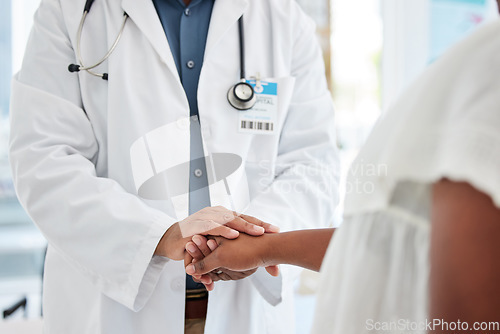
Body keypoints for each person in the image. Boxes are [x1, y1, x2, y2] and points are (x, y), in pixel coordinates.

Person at [8, 0, 339, 333]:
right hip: (115, 306)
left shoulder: (281, 16)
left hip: (242, 305)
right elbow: (43, 158)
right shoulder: (69, 11)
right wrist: (157, 236)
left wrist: (257, 240)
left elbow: (313, 163)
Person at [185, 12, 500, 334]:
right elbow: (385, 237)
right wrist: (261, 245)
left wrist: (248, 236)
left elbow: (315, 166)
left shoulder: (485, 65)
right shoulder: (477, 62)